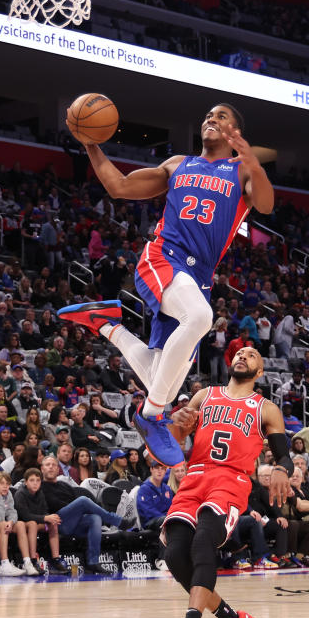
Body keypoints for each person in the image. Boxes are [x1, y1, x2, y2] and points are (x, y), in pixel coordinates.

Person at [57, 104, 274, 467]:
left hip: (197, 277)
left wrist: (252, 159)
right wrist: (90, 143)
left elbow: (265, 205)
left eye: (221, 116)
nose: (210, 119)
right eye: (207, 114)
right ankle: (150, 415)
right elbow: (119, 186)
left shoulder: (241, 172)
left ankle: (107, 324)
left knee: (166, 379)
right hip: (163, 258)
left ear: (235, 130)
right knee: (201, 318)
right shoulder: (177, 164)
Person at [154, 346, 291, 618]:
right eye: (240, 352)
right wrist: (175, 424)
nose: (243, 355)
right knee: (175, 555)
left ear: (259, 372)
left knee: (204, 540)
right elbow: (175, 443)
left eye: (252, 355)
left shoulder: (266, 408)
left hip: (230, 481)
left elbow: (282, 454)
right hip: (194, 477)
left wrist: (284, 469)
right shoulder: (204, 395)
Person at [0, 471, 37, 577]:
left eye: (7, 484)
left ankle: (27, 562)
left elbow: (12, 512)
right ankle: (5, 564)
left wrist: (11, 522)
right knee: (4, 524)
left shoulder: (8, 493)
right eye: (2, 483)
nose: (5, 487)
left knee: (20, 524)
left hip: (0, 524)